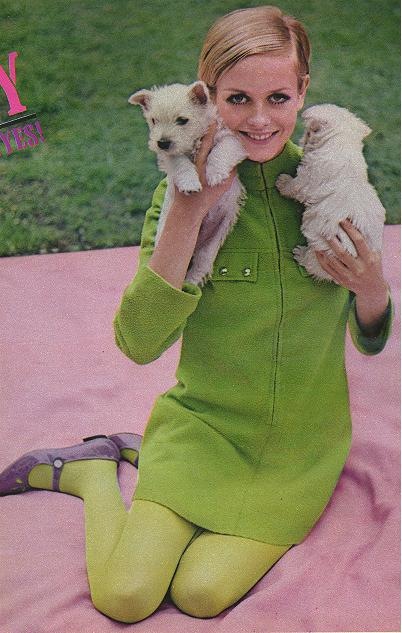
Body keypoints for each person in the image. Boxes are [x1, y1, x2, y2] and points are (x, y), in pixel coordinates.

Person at [0, 5, 393, 624]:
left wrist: (372, 287)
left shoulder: (328, 186)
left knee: (202, 594)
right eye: (238, 99)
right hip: (202, 430)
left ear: (302, 92)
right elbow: (138, 342)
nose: (259, 119)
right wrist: (190, 210)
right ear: (207, 99)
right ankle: (93, 474)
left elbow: (369, 337)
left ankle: (128, 474)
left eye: (278, 98)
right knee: (125, 597)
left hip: (299, 449)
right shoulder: (176, 197)